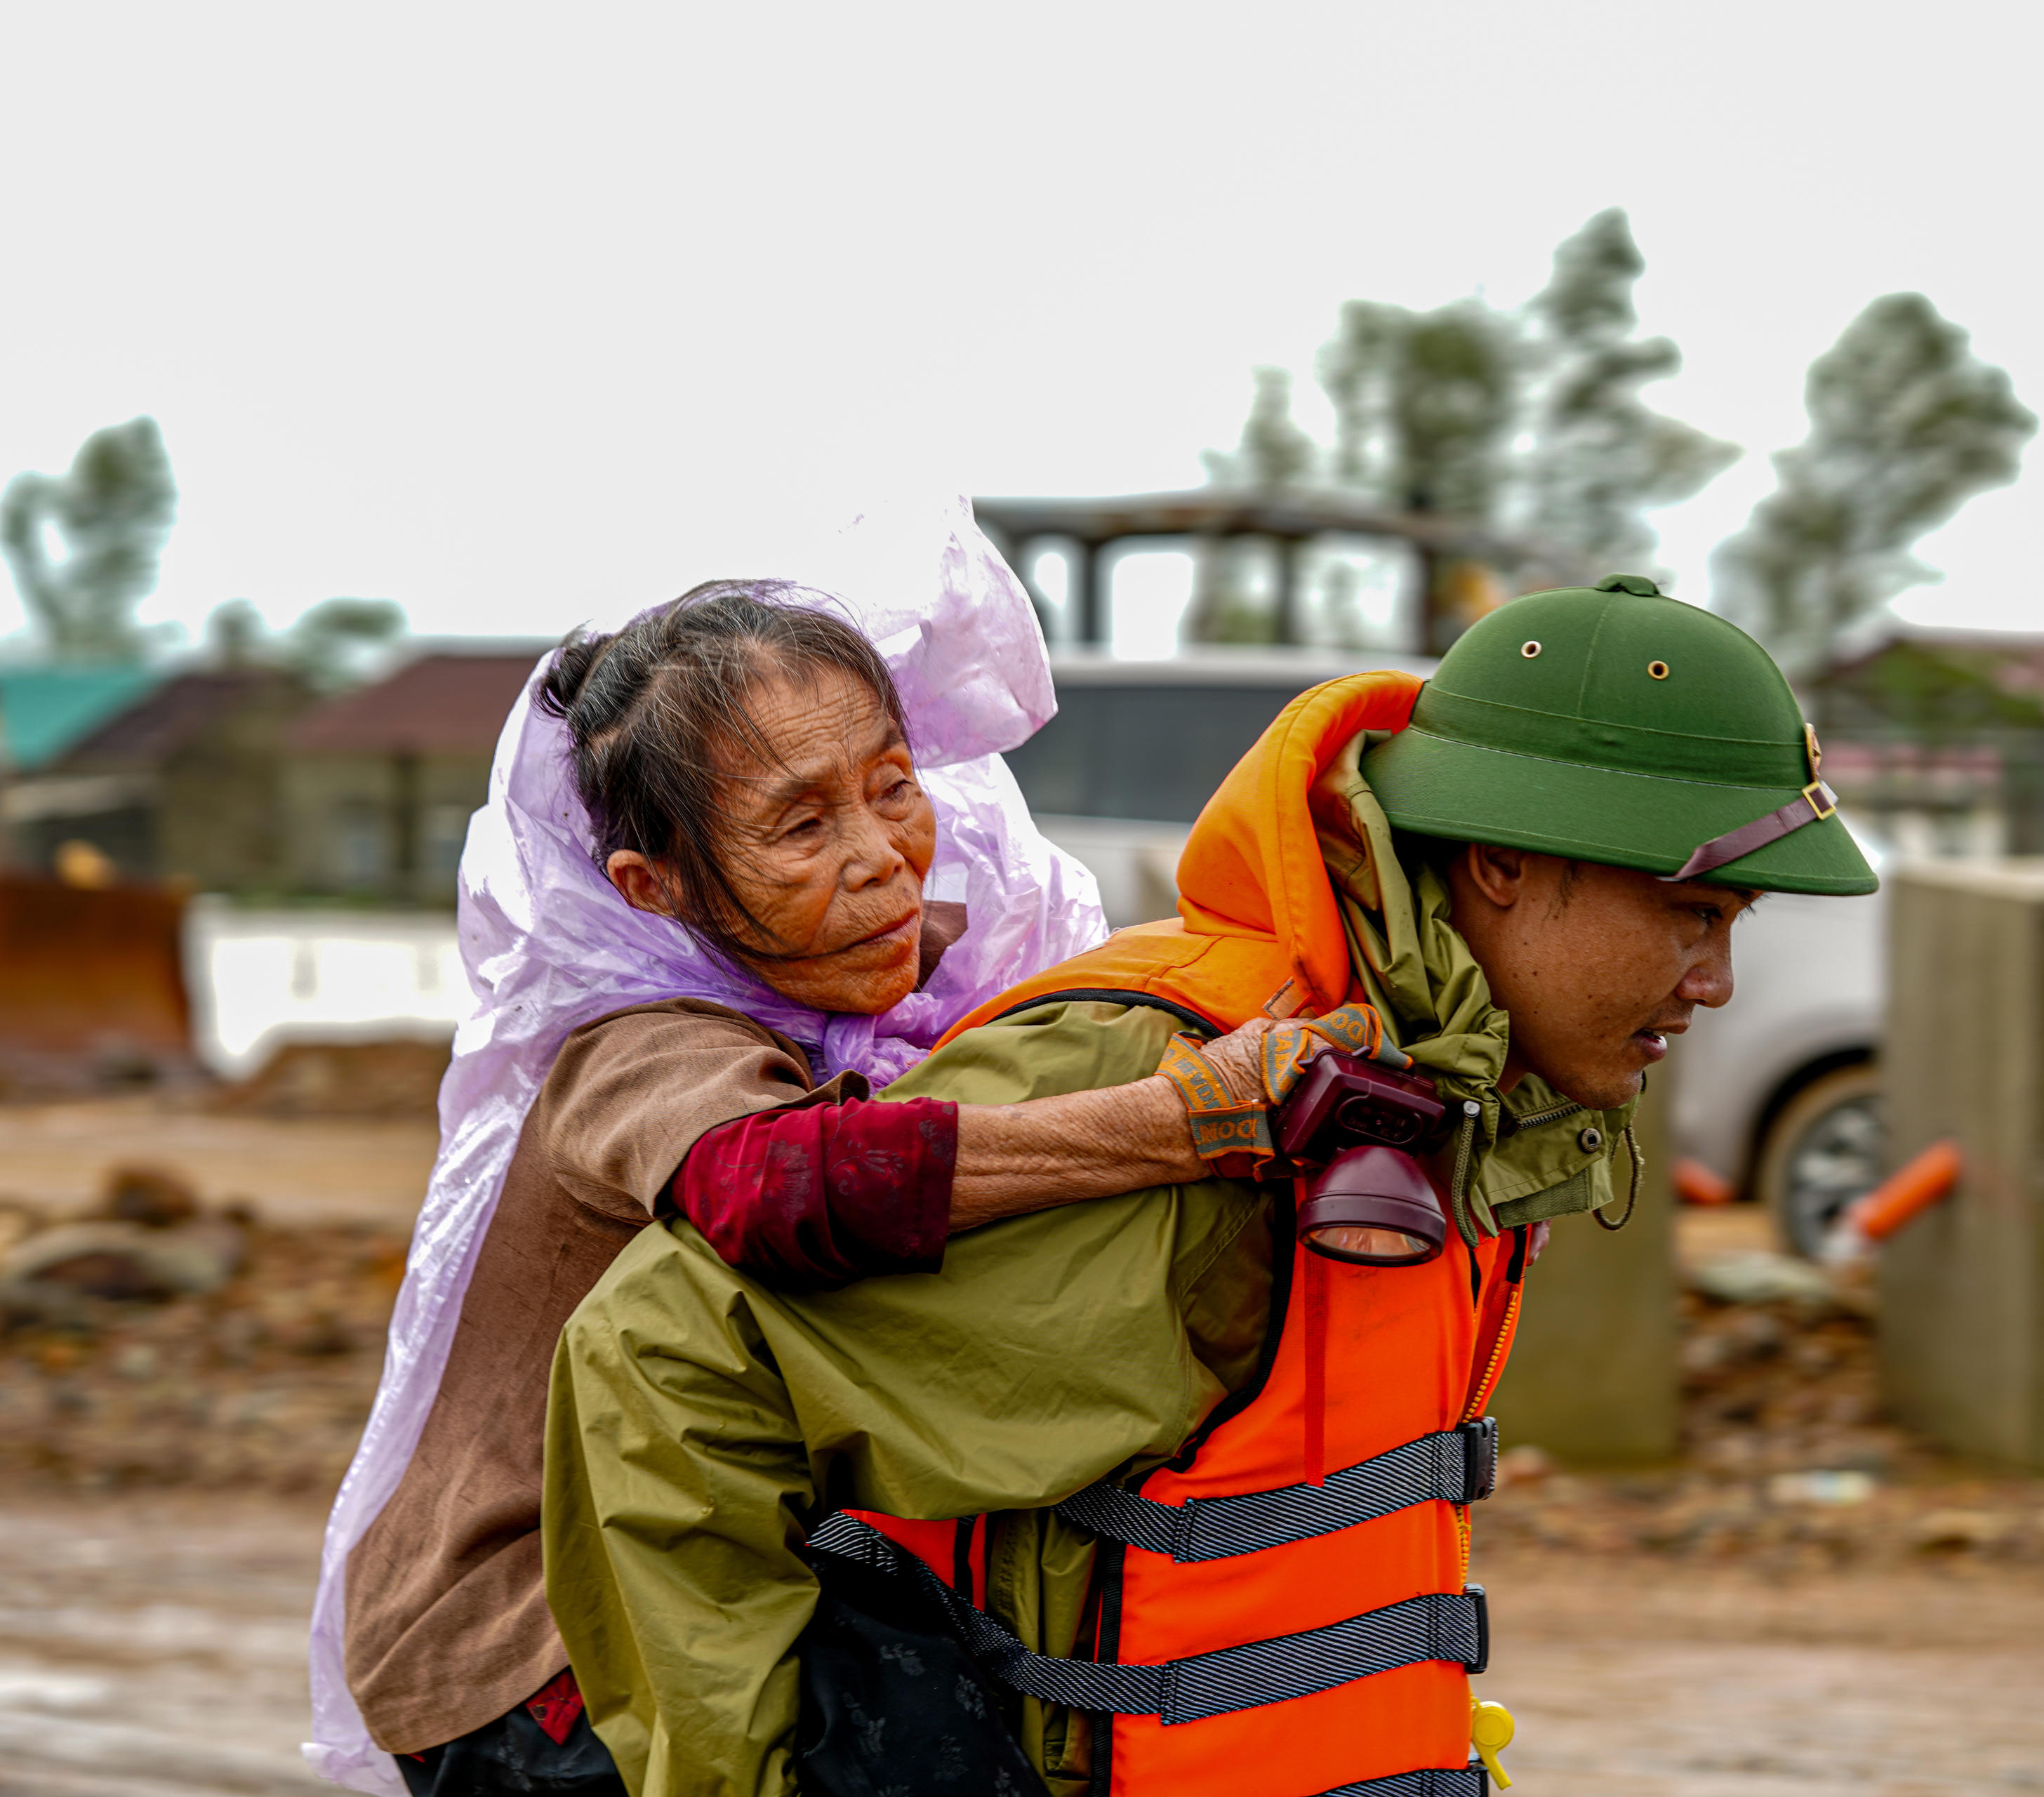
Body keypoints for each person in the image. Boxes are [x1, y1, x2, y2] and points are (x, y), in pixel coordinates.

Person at [538, 573, 1880, 1797]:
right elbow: (657, 1360)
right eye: (1691, 915)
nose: (1714, 980)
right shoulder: (1175, 1075)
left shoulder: (1449, 1096)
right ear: (1506, 865)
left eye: (1730, 929)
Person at [305, 504, 1306, 1797]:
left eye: (892, 789)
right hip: (530, 1630)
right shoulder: (640, 1044)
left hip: (735, 1550)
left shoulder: (905, 995)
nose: (882, 858)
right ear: (650, 885)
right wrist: (1175, 1123)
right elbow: (775, 1186)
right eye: (799, 828)